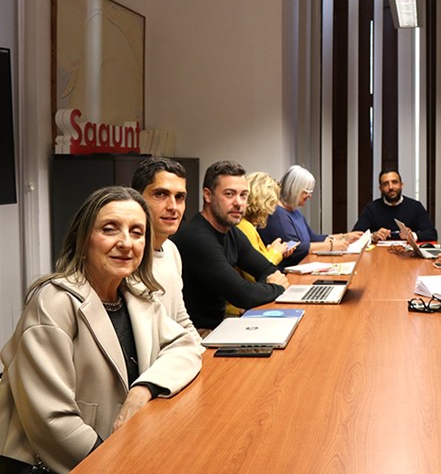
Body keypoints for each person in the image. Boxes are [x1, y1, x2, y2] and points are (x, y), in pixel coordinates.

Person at [0, 186, 202, 473]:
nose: (126, 243)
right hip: (66, 462)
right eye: (109, 229)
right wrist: (116, 464)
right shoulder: (54, 302)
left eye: (137, 232)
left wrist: (144, 388)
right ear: (83, 239)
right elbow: (52, 421)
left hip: (121, 447)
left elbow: (185, 345)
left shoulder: (137, 296)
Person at [172, 160, 288, 332]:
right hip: (195, 333)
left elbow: (267, 269)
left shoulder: (231, 231)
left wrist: (260, 290)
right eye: (229, 194)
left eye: (243, 195)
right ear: (207, 195)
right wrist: (276, 287)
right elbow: (243, 294)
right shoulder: (197, 237)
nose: (238, 203)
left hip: (219, 325)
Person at [130, 157, 201, 341]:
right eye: (160, 194)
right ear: (137, 198)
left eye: (180, 197)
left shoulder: (171, 250)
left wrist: (202, 352)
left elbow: (181, 320)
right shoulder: (127, 256)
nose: (173, 207)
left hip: (176, 352)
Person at [258, 165, 361, 265]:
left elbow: (313, 237)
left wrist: (344, 237)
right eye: (307, 191)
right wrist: (331, 246)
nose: (310, 195)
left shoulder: (295, 212)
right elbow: (296, 249)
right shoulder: (276, 214)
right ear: (294, 190)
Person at [353, 168, 438, 242]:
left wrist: (412, 236)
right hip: (379, 253)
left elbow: (432, 234)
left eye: (394, 182)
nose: (391, 187)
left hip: (408, 253)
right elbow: (355, 236)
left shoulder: (416, 207)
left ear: (401, 185)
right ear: (380, 189)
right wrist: (372, 236)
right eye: (386, 184)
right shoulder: (371, 208)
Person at [237, 171, 297, 268]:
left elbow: (257, 259)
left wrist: (271, 251)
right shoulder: (245, 227)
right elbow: (257, 270)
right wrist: (276, 253)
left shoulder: (244, 224)